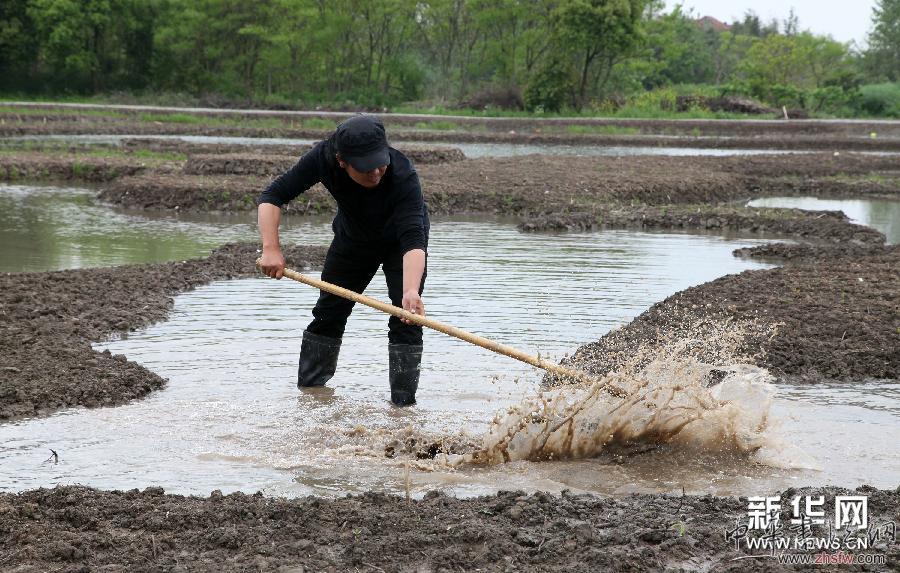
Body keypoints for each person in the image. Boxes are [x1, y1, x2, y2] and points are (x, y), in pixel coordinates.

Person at [256, 115, 429, 406]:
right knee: (329, 313)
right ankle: (311, 396)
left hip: (401, 245)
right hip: (354, 240)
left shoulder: (402, 174)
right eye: (365, 168)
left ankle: (403, 409)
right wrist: (271, 248)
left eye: (380, 163)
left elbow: (413, 239)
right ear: (341, 161)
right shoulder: (323, 158)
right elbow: (272, 195)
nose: (376, 172)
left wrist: (410, 291)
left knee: (407, 318)